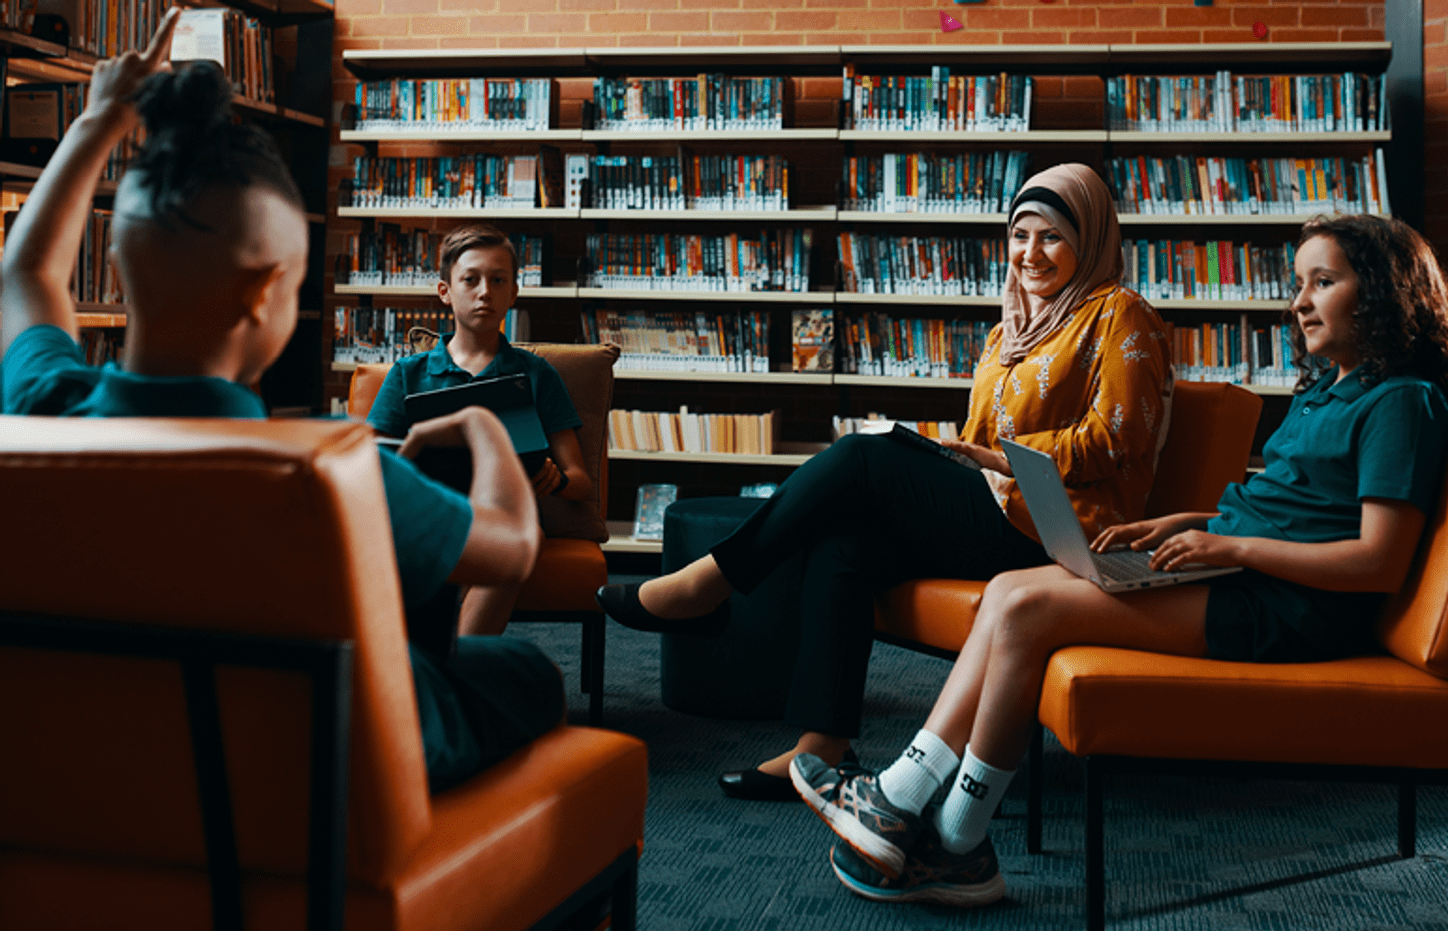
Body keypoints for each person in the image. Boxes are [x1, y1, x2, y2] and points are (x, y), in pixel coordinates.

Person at [789, 213, 1448, 906]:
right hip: (1243, 577)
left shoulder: (1401, 402)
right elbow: (1298, 514)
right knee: (1007, 589)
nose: (1300, 300)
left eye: (1324, 281)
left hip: (1289, 609)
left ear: (1387, 293)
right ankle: (921, 813)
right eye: (1297, 282)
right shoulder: (1331, 390)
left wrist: (1228, 545)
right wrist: (1191, 522)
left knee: (1028, 609)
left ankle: (944, 829)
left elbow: (1377, 561)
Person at [0, 17, 557, 793]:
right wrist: (488, 426)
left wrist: (100, 121)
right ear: (268, 293)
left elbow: (26, 274)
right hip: (305, 766)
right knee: (521, 669)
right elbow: (511, 548)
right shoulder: (331, 468)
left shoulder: (44, 408)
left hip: (93, 765)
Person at [597, 163, 1174, 801]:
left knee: (860, 459)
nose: (1030, 254)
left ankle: (709, 582)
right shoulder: (1010, 330)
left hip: (1061, 528)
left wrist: (998, 458)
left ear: (1089, 240)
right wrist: (955, 456)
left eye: (1052, 237)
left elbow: (1120, 442)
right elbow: (978, 437)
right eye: (1020, 235)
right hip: (998, 508)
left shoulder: (1120, 314)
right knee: (842, 540)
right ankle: (824, 747)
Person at [366, 222, 591, 634]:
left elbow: (581, 481)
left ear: (513, 294)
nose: (485, 291)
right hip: (427, 508)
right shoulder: (407, 374)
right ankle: (452, 664)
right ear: (445, 292)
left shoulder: (537, 375)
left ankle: (457, 663)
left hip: (502, 513)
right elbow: (373, 464)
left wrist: (556, 481)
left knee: (519, 535)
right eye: (470, 279)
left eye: (498, 280)